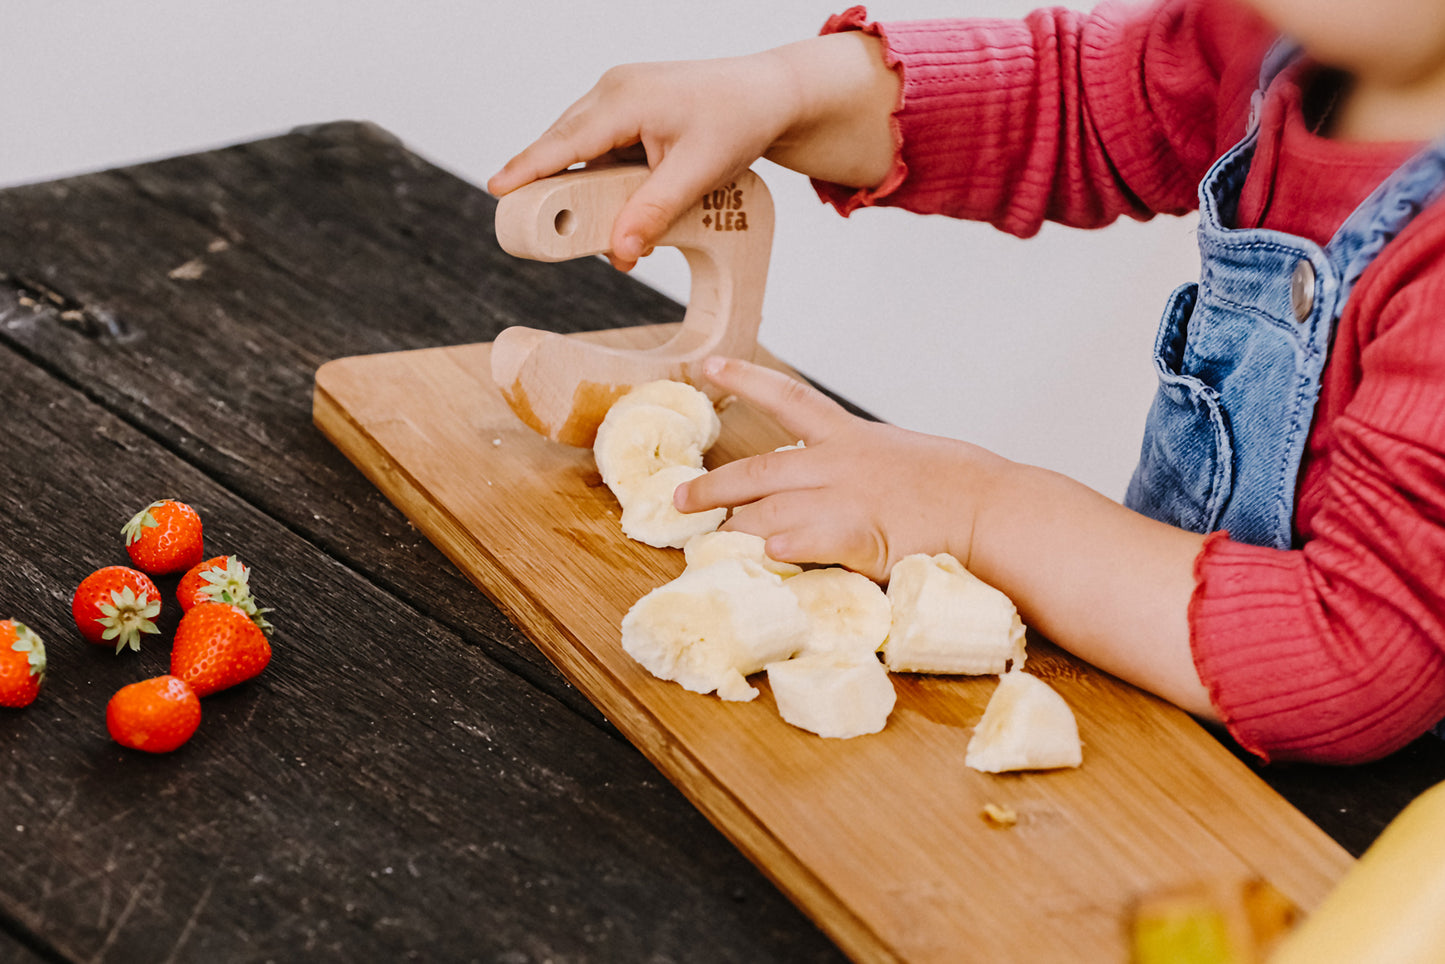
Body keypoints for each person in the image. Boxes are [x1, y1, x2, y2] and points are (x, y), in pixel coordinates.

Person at [488, 0, 1445, 765]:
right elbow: (1093, 97)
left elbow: (1352, 654)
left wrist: (977, 509)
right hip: (1176, 700)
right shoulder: (1290, 36)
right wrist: (790, 88)